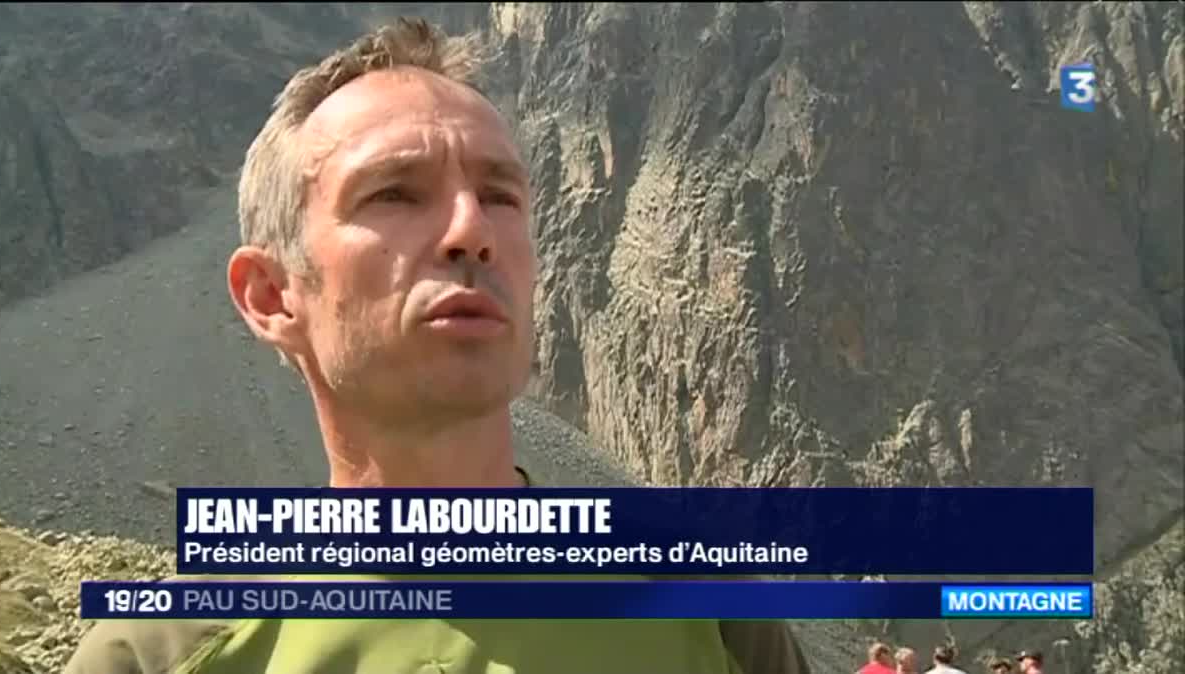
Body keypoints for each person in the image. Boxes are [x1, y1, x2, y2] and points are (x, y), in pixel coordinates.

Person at [64, 16, 812, 674]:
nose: (471, 232)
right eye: (394, 193)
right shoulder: (158, 654)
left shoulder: (709, 617)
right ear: (271, 295)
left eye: (500, 196)